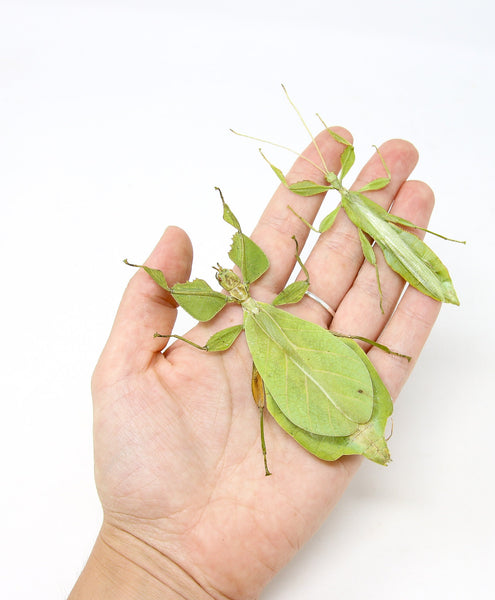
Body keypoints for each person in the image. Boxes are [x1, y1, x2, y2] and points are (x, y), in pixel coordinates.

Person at [69, 128, 441, 599]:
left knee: (313, 366)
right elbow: (213, 342)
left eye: (230, 277)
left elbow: (286, 293)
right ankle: (342, 424)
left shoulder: (257, 307)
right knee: (289, 383)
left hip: (297, 352)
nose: (230, 280)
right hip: (292, 357)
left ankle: (359, 419)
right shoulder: (235, 325)